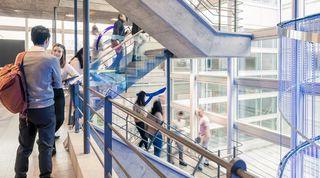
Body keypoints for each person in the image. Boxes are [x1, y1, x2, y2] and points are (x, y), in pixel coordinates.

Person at [14, 25, 62, 178]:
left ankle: (20, 175)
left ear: (32, 38)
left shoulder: (20, 56)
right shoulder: (52, 59)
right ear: (47, 40)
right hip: (45, 109)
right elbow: (58, 85)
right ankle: (45, 176)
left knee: (24, 146)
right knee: (45, 147)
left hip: (25, 110)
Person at [51, 43, 78, 156]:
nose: (57, 53)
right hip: (47, 94)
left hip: (59, 93)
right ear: (52, 51)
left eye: (59, 51)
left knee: (60, 119)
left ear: (63, 54)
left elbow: (76, 75)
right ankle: (50, 143)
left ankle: (48, 135)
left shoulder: (65, 66)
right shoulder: (47, 62)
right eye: (55, 50)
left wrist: (66, 82)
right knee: (50, 119)